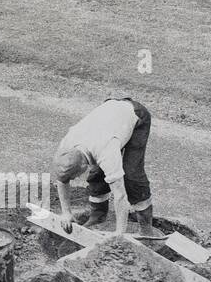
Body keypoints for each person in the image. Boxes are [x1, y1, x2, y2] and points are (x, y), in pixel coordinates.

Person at [53, 97, 153, 236]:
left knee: (132, 177)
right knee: (96, 174)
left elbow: (120, 196)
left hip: (135, 115)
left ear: (83, 166)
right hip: (109, 114)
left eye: (75, 176)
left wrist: (119, 233)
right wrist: (66, 213)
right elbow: (62, 177)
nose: (75, 178)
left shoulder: (106, 152)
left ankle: (146, 228)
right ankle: (98, 217)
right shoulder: (67, 145)